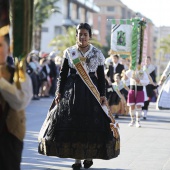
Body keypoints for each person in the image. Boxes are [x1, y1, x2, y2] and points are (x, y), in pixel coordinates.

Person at [38, 23, 119, 170]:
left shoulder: (97, 54)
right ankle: (77, 160)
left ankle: (88, 156)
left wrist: (103, 95)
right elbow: (62, 75)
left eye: (85, 34)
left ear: (90, 36)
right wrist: (59, 93)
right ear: (76, 35)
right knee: (74, 125)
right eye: (80, 34)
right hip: (72, 93)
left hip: (91, 94)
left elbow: (101, 78)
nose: (82, 37)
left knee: (91, 126)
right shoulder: (69, 52)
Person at [0, 33, 33, 169]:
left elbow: (20, 101)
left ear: (9, 49)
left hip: (10, 136)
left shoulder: (19, 75)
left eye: (0, 45)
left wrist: (1, 82)